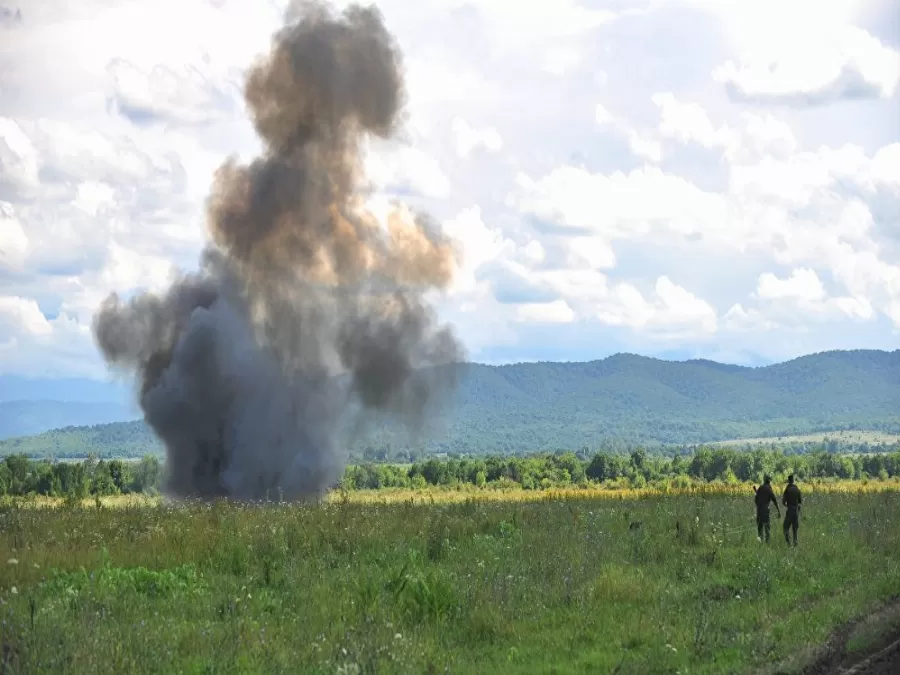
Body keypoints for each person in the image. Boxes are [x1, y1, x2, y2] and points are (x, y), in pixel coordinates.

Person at [753, 475, 780, 542]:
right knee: (767, 529)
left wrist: (759, 506)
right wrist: (778, 511)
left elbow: (756, 499)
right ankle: (767, 543)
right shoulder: (769, 489)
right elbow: (774, 500)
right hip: (765, 512)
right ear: (769, 482)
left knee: (760, 529)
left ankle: (760, 543)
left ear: (764, 481)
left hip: (759, 511)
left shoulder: (760, 488)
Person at [782, 474, 802, 546]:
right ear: (793, 481)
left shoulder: (787, 489)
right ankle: (795, 544)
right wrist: (797, 510)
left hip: (790, 511)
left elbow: (783, 502)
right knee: (795, 530)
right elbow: (800, 503)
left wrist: (788, 506)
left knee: (785, 527)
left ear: (788, 481)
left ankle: (788, 543)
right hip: (796, 512)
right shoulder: (797, 489)